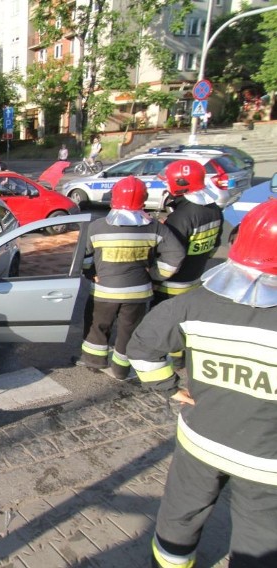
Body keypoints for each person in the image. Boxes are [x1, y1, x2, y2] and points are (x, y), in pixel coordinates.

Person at [127, 199, 277, 568]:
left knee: (179, 517)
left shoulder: (194, 306)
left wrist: (169, 389)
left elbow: (142, 349)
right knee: (259, 536)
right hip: (267, 463)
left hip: (201, 440)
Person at [73, 176, 186, 380]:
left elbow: (83, 256)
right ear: (143, 200)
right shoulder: (154, 227)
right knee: (128, 331)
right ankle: (121, 370)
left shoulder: (97, 227)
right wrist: (156, 275)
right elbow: (176, 254)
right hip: (138, 293)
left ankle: (94, 362)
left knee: (97, 327)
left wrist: (90, 274)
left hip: (103, 292)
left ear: (114, 199)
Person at [153, 160, 223, 304]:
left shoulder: (181, 216)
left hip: (170, 287)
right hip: (194, 278)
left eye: (168, 182)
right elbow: (213, 245)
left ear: (180, 184)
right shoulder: (214, 209)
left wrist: (154, 276)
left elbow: (171, 254)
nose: (166, 185)